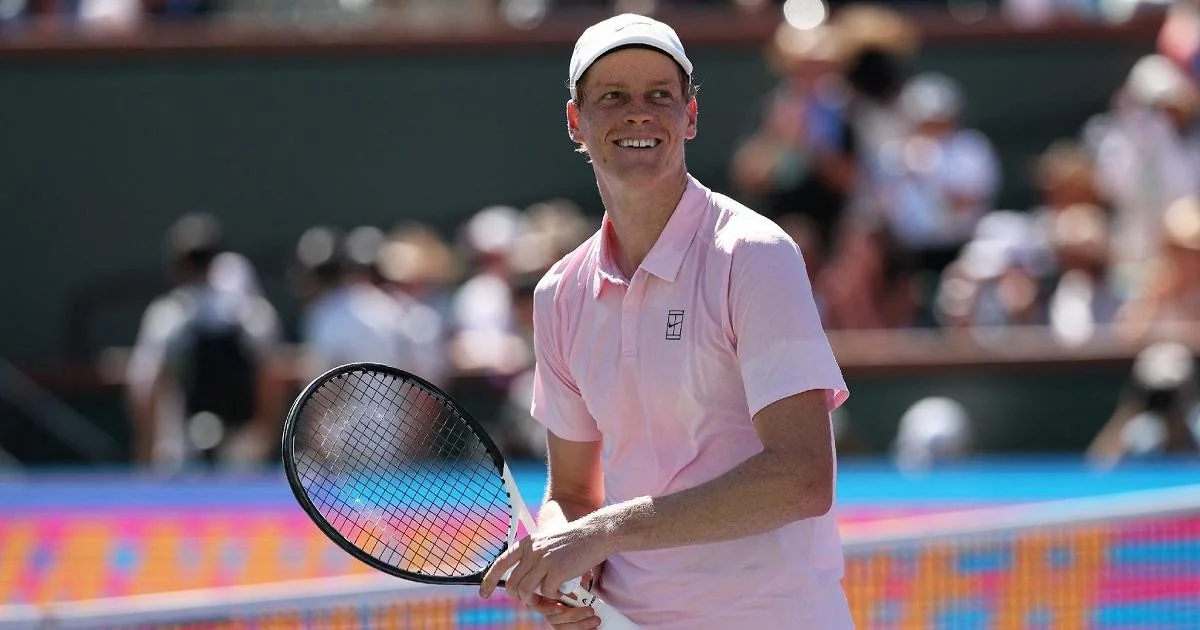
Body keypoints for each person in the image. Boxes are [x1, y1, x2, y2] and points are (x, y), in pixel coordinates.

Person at [478, 14, 853, 629]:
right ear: (576, 121)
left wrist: (598, 534)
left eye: (659, 96)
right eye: (612, 97)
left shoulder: (754, 254)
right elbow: (572, 495)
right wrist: (561, 556)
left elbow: (802, 477)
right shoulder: (559, 294)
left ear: (690, 115)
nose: (638, 114)